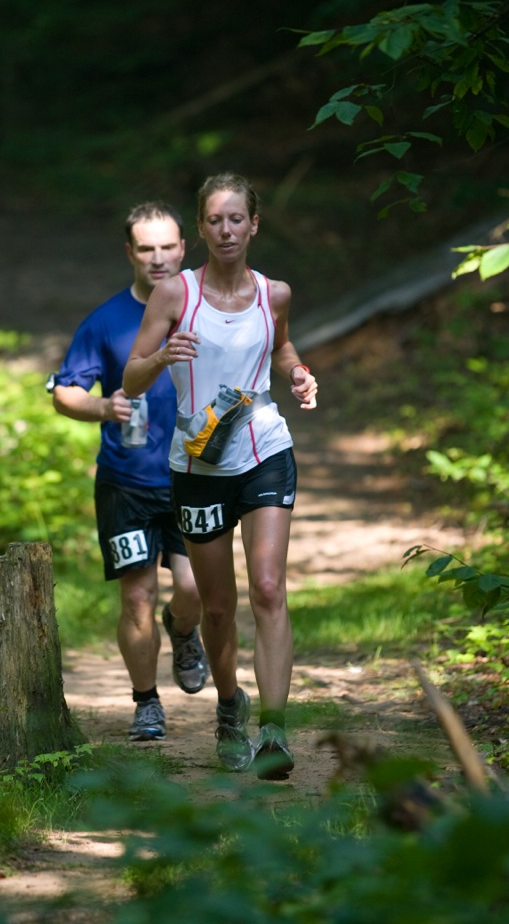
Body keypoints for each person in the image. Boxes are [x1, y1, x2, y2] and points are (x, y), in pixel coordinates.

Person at [123, 173, 318, 780]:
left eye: (237, 219)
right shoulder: (175, 295)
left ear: (254, 224)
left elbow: (280, 348)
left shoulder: (274, 293)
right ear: (200, 228)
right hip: (199, 461)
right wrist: (160, 358)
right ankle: (230, 708)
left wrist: (298, 372)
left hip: (264, 446)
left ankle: (274, 733)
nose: (226, 230)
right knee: (216, 607)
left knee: (267, 588)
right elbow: (130, 379)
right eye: (214, 220)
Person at [47, 201, 208, 743]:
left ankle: (184, 631)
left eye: (168, 247)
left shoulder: (208, 306)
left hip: (194, 474)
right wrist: (103, 407)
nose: (158, 258)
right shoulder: (107, 319)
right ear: (130, 253)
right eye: (146, 248)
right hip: (125, 480)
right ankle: (146, 703)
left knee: (194, 589)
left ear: (184, 247)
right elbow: (64, 391)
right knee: (137, 595)